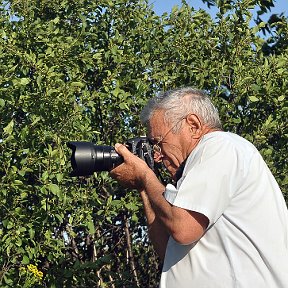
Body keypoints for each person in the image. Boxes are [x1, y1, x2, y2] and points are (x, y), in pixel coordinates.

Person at [110, 87, 288, 288]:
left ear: (193, 125)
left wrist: (145, 176)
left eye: (158, 142)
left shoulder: (220, 145)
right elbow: (167, 250)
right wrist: (143, 188)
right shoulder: (201, 169)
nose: (157, 155)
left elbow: (183, 229)